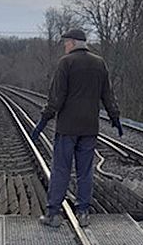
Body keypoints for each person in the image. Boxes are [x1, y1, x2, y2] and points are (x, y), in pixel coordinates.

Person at [30, 29, 122, 228]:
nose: (65, 46)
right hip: (89, 127)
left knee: (61, 170)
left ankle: (53, 214)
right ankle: (83, 213)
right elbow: (108, 95)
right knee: (85, 171)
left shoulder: (66, 63)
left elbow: (56, 98)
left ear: (72, 43)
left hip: (67, 128)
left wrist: (43, 121)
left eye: (66, 42)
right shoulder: (99, 64)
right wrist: (115, 116)